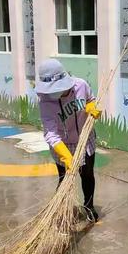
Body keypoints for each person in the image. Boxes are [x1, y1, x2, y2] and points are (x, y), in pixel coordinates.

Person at [35, 58, 101, 222]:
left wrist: (91, 107)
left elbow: (90, 99)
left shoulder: (81, 85)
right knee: (64, 179)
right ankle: (60, 211)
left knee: (87, 175)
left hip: (85, 138)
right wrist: (66, 155)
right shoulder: (45, 101)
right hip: (62, 145)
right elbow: (50, 133)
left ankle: (89, 206)